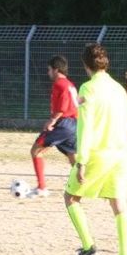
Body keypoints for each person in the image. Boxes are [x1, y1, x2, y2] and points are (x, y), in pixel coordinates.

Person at [64, 43, 127, 255]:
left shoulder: (87, 88)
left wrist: (81, 160)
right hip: (120, 154)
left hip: (97, 153)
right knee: (118, 203)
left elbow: (85, 127)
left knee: (71, 197)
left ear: (85, 64)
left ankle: (88, 246)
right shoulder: (119, 89)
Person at [28, 55, 79, 198]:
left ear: (56, 70)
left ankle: (42, 188)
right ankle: (84, 184)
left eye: (49, 69)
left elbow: (62, 106)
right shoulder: (69, 84)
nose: (48, 72)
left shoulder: (60, 84)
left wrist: (52, 120)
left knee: (36, 151)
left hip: (63, 123)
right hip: (74, 123)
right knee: (72, 156)